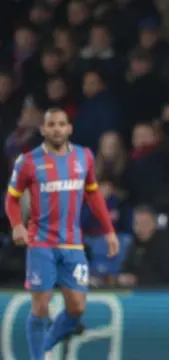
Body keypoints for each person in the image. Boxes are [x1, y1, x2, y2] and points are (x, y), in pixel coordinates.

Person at [4, 108, 119, 360]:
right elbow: (12, 199)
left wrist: (109, 231)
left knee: (77, 308)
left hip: (72, 244)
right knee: (41, 306)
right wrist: (16, 225)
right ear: (43, 129)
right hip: (40, 243)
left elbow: (93, 194)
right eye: (51, 124)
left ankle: (44, 346)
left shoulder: (84, 156)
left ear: (69, 128)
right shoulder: (27, 161)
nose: (56, 129)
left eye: (61, 124)